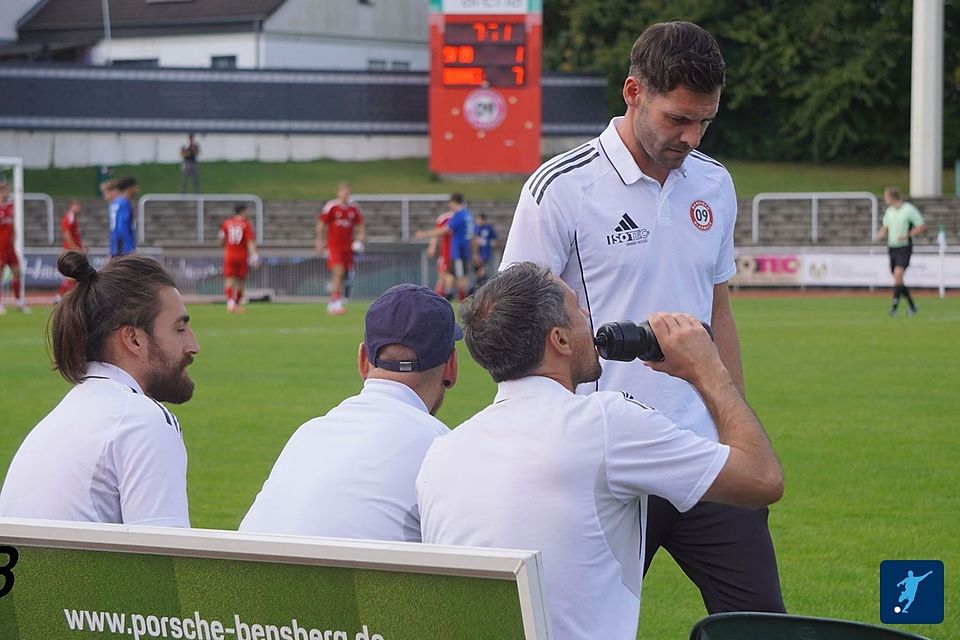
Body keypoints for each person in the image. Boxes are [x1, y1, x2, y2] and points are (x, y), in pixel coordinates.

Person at [499, 21, 786, 614]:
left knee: (761, 621)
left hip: (698, 450)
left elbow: (718, 308)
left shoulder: (715, 182)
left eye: (704, 121)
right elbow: (517, 322)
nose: (691, 136)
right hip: (601, 457)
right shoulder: (561, 187)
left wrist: (731, 421)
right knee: (571, 620)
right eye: (677, 119)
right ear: (634, 92)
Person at [416, 262, 783, 640]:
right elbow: (762, 478)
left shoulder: (441, 453)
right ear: (560, 340)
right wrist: (706, 369)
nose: (590, 316)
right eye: (578, 307)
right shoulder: (607, 422)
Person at [240, 284, 461, 541]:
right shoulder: (443, 449)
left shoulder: (307, 433)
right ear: (451, 367)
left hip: (247, 566)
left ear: (363, 360)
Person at [0, 252, 200, 526]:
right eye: (179, 329)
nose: (193, 346)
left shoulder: (62, 418)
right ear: (133, 339)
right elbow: (163, 551)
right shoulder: (143, 422)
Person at [316, 181, 366, 315]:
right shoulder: (332, 206)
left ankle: (335, 301)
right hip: (334, 245)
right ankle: (335, 303)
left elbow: (360, 223)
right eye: (343, 191)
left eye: (347, 191)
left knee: (344, 274)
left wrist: (361, 236)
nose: (345, 194)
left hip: (347, 247)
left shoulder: (353, 208)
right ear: (338, 193)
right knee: (338, 271)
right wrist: (319, 241)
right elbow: (321, 224)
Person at [876, 187, 926, 316]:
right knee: (898, 279)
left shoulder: (908, 209)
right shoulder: (889, 211)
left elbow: (921, 226)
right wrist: (880, 234)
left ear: (892, 197)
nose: (885, 199)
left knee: (898, 274)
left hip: (904, 247)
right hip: (892, 247)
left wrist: (907, 235)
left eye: (886, 196)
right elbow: (885, 227)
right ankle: (912, 306)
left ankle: (894, 307)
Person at [416, 194, 473, 300]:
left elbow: (444, 230)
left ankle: (463, 300)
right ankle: (454, 296)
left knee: (459, 278)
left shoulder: (459, 215)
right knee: (455, 275)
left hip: (458, 251)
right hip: (464, 250)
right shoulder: (468, 215)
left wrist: (424, 234)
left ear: (454, 202)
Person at [218, 204, 258, 313]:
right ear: (243, 211)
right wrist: (254, 256)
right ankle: (237, 304)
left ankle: (230, 304)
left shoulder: (226, 223)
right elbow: (250, 241)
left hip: (229, 254)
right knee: (241, 281)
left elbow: (221, 239)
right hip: (241, 255)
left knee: (229, 279)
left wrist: (225, 246)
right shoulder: (246, 224)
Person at [0, 179, 28, 313]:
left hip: (10, 247)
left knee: (17, 273)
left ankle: (18, 302)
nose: (8, 191)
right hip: (0, 246)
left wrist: (15, 235)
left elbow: (12, 224)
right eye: (6, 189)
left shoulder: (10, 206)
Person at [55, 199, 86, 303]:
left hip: (72, 249)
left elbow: (75, 234)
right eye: (76, 206)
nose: (78, 208)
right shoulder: (69, 218)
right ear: (71, 206)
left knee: (73, 275)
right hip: (70, 250)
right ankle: (60, 296)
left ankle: (64, 296)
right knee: (72, 275)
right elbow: (67, 235)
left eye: (79, 206)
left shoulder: (72, 218)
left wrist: (82, 245)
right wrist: (75, 248)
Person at [109, 176, 138, 258]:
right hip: (123, 247)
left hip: (115, 244)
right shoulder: (124, 203)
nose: (137, 190)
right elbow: (122, 226)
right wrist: (129, 248)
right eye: (135, 187)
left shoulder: (115, 202)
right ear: (129, 188)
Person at [472, 212, 498, 289]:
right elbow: (474, 241)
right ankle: (478, 288)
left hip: (485, 254)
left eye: (480, 219)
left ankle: (481, 288)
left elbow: (495, 239)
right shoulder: (475, 228)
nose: (478, 221)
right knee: (478, 272)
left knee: (483, 271)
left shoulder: (488, 228)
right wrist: (475, 255)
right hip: (477, 255)